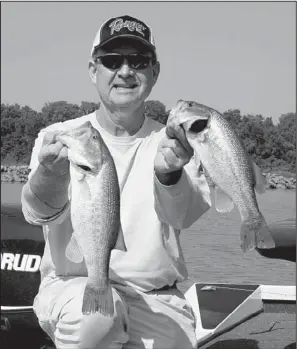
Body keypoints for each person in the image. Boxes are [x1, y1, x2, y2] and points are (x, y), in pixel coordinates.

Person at [21, 15, 211, 349]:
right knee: (96, 320)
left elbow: (184, 217)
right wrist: (51, 174)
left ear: (155, 72)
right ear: (94, 70)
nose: (125, 71)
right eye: (111, 61)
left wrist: (170, 175)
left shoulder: (176, 144)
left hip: (156, 299)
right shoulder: (59, 137)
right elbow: (36, 213)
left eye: (137, 61)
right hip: (74, 285)